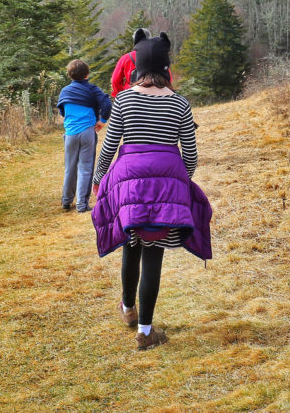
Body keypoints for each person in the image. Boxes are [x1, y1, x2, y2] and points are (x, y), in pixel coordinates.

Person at [91, 33, 212, 350]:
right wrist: (179, 183)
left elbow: (109, 147)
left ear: (138, 66)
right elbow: (191, 155)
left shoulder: (125, 101)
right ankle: (145, 331)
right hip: (165, 186)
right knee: (153, 253)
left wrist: (100, 179)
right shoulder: (179, 103)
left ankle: (128, 309)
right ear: (166, 66)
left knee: (131, 243)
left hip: (129, 183)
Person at [57, 59, 112, 213]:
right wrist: (102, 121)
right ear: (87, 74)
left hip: (70, 134)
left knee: (70, 168)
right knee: (86, 169)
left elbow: (62, 110)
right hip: (88, 131)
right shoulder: (93, 89)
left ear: (69, 74)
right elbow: (107, 104)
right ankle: (82, 205)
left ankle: (66, 202)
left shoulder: (65, 91)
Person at [110, 27, 171, 97]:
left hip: (130, 95)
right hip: (158, 95)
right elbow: (168, 78)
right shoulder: (159, 57)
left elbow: (115, 80)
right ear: (149, 39)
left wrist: (121, 95)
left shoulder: (125, 58)